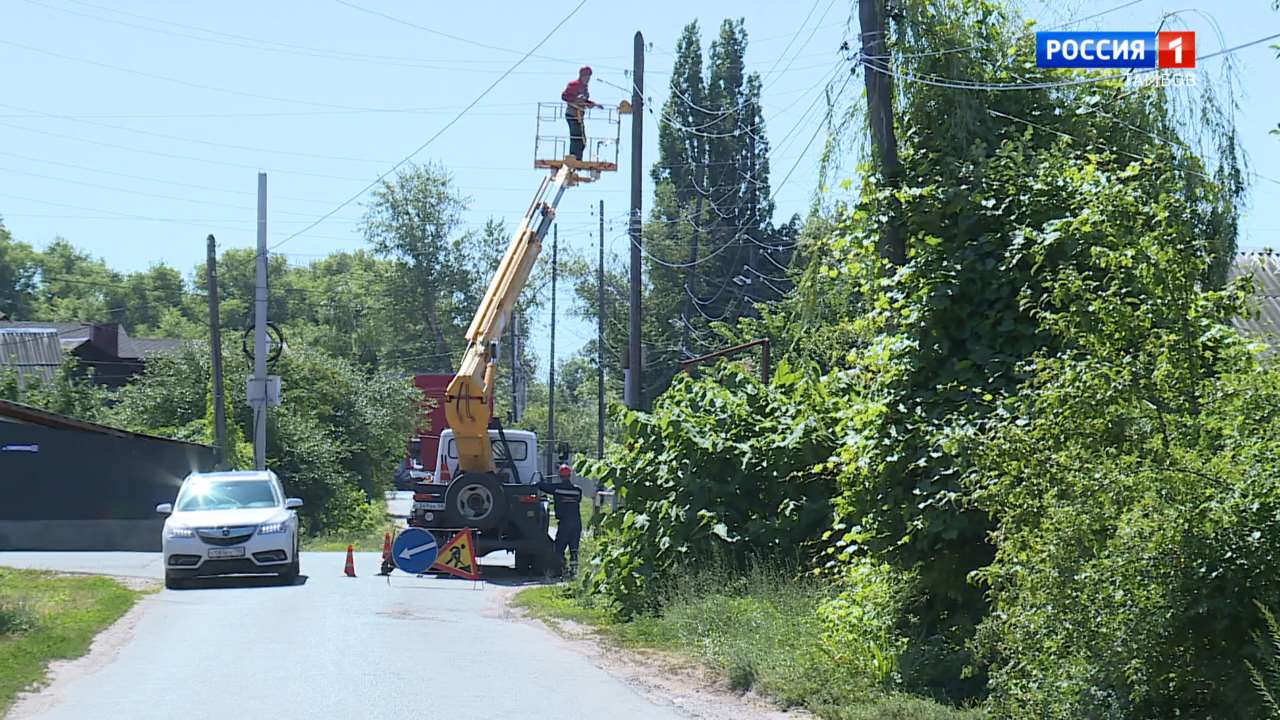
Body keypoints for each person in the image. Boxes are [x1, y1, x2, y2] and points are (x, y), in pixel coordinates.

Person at [536, 463, 583, 576]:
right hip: (577, 522)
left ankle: (562, 569)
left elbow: (542, 486)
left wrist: (539, 482)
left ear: (560, 476)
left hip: (565, 523)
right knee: (574, 549)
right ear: (570, 475)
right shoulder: (578, 490)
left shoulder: (557, 489)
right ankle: (573, 572)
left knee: (559, 548)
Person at [561, 66, 602, 162]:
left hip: (579, 116)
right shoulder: (574, 85)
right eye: (586, 76)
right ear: (581, 76)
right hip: (572, 114)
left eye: (589, 77)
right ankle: (573, 158)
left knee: (582, 140)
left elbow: (584, 101)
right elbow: (564, 96)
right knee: (576, 138)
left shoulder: (584, 88)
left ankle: (577, 159)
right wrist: (575, 99)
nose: (588, 79)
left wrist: (593, 104)